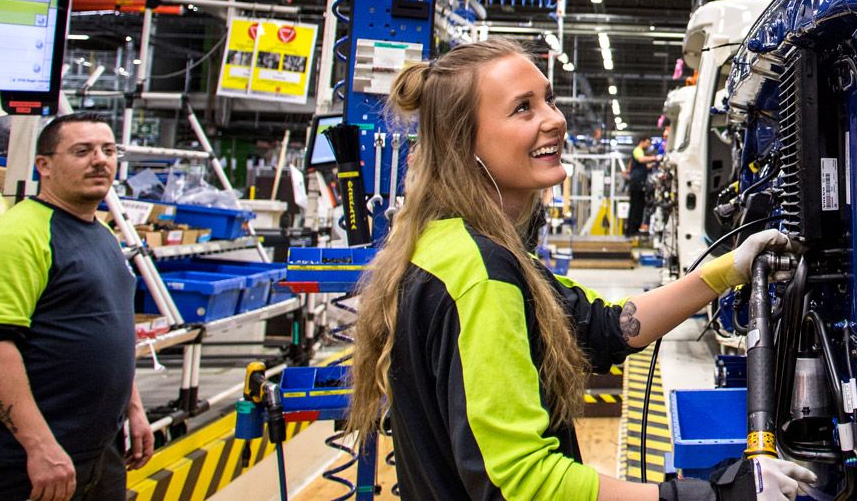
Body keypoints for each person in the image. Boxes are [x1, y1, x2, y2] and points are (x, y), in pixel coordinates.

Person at [345, 40, 815, 500]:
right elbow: (523, 484)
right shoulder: (480, 275)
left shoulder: (455, 247)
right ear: (463, 143)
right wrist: (707, 496)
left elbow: (604, 326)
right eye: (522, 109)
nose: (554, 120)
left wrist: (728, 269)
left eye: (547, 99)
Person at [0, 113, 154, 501]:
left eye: (108, 150)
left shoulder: (102, 233)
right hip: (22, 462)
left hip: (97, 453)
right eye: (82, 151)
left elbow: (110, 327)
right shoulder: (17, 236)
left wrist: (133, 408)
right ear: (43, 165)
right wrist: (39, 446)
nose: (100, 160)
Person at [624, 136, 659, 241]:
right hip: (636, 183)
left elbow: (644, 166)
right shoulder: (637, 150)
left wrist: (653, 164)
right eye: (647, 143)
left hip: (640, 183)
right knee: (635, 206)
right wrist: (655, 158)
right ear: (641, 141)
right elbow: (641, 159)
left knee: (640, 206)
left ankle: (635, 229)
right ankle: (631, 231)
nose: (648, 146)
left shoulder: (641, 152)